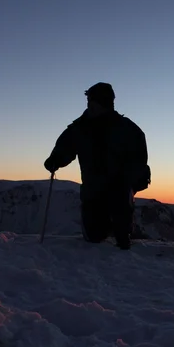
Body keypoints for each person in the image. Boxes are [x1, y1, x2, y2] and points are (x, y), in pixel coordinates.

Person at [44, 82, 150, 250]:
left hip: (119, 189)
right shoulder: (81, 128)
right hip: (93, 190)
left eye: (94, 101)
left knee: (121, 230)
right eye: (90, 101)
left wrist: (135, 180)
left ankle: (122, 233)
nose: (90, 105)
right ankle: (112, 229)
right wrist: (55, 160)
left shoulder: (125, 129)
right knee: (94, 236)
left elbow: (139, 159)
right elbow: (66, 147)